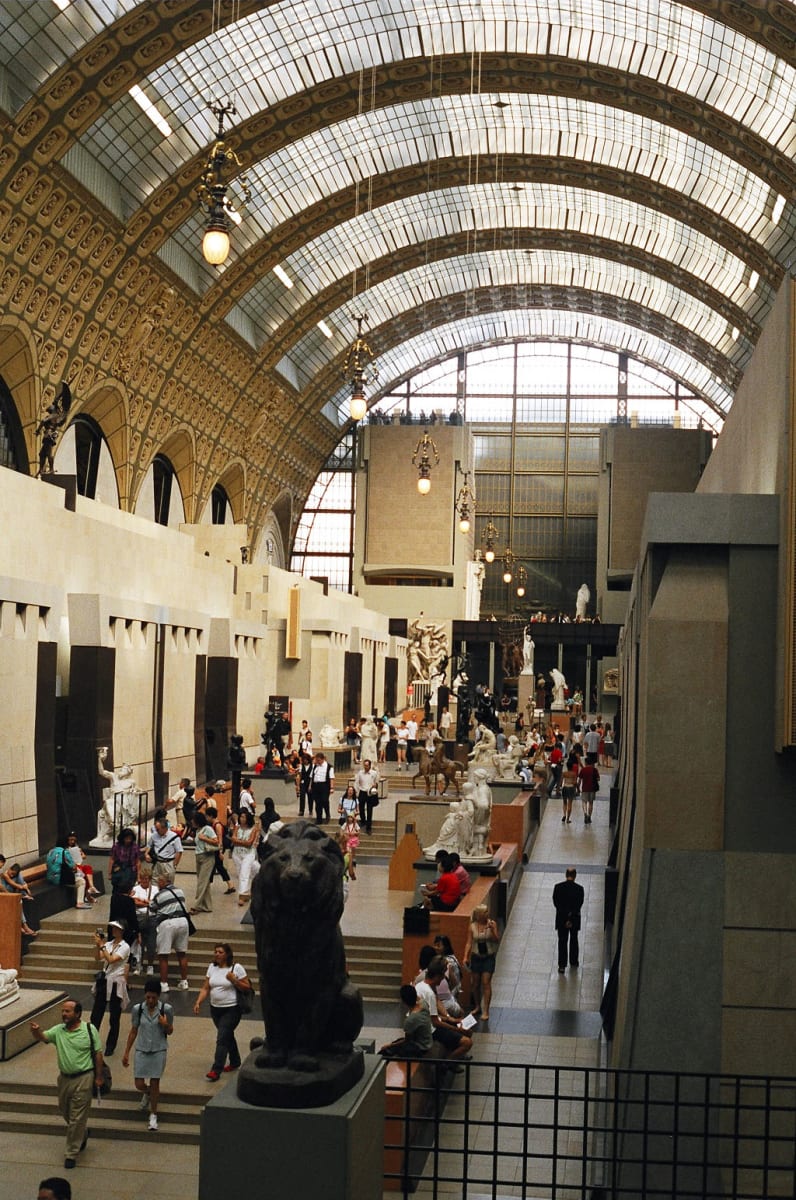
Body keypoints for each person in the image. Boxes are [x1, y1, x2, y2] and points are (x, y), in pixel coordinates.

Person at [30, 998, 105, 1170]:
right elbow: (43, 1037)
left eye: (67, 1011)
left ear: (77, 1014)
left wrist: (98, 1076)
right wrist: (36, 1031)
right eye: (63, 1011)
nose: (64, 1014)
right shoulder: (59, 1031)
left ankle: (71, 1153)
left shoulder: (89, 1029)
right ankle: (83, 1133)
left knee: (77, 1116)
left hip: (84, 1077)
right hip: (64, 1079)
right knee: (65, 1111)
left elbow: (98, 1054)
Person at [193, 942, 252, 1081]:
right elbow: (206, 988)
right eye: (215, 952)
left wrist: (235, 980)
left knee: (221, 1038)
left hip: (232, 1009)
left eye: (220, 952)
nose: (217, 954)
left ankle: (216, 1069)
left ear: (227, 954)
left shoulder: (236, 968)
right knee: (227, 1035)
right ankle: (235, 1060)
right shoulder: (212, 968)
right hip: (215, 1009)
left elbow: (247, 988)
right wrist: (198, 1002)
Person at [122, 977, 173, 1131]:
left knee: (155, 1081)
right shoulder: (138, 1009)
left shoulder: (166, 1009)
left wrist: (165, 1025)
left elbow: (170, 1031)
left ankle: (153, 1114)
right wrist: (126, 1052)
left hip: (158, 1049)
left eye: (153, 997)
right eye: (148, 997)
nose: (150, 1000)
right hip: (142, 1048)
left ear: (158, 996)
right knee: (139, 1083)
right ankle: (148, 1093)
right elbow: (133, 1030)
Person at [415, 957, 473, 1066]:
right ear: (438, 975)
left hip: (428, 1024)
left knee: (466, 1029)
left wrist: (450, 1018)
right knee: (467, 1042)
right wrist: (456, 1028)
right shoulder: (429, 993)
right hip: (431, 1030)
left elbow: (435, 1008)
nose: (443, 980)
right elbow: (435, 1022)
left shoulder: (421, 986)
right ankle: (445, 1064)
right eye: (442, 976)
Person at [90, 919, 130, 1056]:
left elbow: (112, 959)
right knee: (96, 1014)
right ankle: (92, 1042)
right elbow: (98, 958)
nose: (114, 930)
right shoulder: (108, 944)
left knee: (114, 1016)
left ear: (122, 931)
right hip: (104, 981)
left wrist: (101, 946)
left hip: (116, 983)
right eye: (113, 928)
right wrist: (98, 945)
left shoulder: (125, 947)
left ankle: (110, 1046)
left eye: (116, 928)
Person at [149, 875, 190, 992]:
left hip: (167, 923)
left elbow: (152, 908)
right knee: (182, 953)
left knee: (163, 955)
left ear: (163, 882)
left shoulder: (159, 895)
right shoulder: (180, 891)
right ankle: (184, 981)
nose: (157, 884)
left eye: (158, 882)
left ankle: (164, 984)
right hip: (183, 922)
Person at [463, 904, 500, 1021]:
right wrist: (465, 956)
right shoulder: (472, 926)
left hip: (488, 957)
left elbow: (496, 940)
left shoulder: (492, 924)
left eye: (487, 911)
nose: (487, 914)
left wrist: (493, 930)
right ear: (479, 915)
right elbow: (469, 942)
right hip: (476, 957)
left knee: (486, 982)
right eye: (484, 912)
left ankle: (486, 1010)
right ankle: (477, 1006)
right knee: (475, 983)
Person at [379, 984, 433, 1058]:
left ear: (404, 1001)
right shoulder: (423, 1004)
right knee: (396, 1042)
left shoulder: (411, 1020)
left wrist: (389, 1045)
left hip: (420, 1048)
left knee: (386, 1051)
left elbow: (407, 1041)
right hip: (427, 1042)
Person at [553, 867, 585, 974]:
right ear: (575, 876)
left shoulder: (558, 887)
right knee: (574, 939)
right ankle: (573, 961)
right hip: (574, 919)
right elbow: (579, 905)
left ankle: (562, 965)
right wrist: (570, 918)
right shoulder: (579, 889)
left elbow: (557, 904)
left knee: (562, 941)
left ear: (566, 875)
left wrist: (565, 918)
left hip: (561, 919)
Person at [0, 857, 38, 936]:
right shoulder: (4, 874)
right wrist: (12, 895)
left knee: (18, 875)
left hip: (7, 893)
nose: (1, 867)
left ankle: (23, 926)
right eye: (1, 866)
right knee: (17, 903)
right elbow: (2, 887)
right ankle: (24, 926)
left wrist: (24, 888)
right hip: (4, 894)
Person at [190, 808, 219, 913]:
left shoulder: (208, 829)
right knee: (204, 882)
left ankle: (197, 905)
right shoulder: (198, 830)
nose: (191, 822)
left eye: (193, 820)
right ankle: (207, 906)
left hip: (207, 857)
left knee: (202, 882)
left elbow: (216, 841)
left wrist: (204, 838)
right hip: (198, 856)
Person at [46, 840, 89, 907]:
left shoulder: (50, 852)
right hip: (59, 878)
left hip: (50, 877)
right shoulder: (65, 852)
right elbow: (73, 867)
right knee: (81, 881)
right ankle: (80, 903)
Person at [131, 865, 157, 974]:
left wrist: (142, 902)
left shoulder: (155, 889)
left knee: (151, 944)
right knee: (138, 944)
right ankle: (139, 964)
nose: (144, 881)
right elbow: (133, 902)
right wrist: (146, 902)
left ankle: (150, 965)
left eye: (147, 879)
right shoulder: (135, 889)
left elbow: (155, 904)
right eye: (142, 878)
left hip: (151, 918)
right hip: (138, 918)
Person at [231, 807, 259, 905]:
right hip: (237, 853)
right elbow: (233, 839)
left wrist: (238, 842)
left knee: (244, 872)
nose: (242, 819)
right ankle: (247, 891)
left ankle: (242, 895)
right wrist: (241, 842)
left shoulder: (254, 829)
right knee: (241, 872)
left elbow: (249, 843)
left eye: (244, 817)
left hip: (248, 853)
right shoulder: (237, 827)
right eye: (241, 817)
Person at [145, 811, 182, 883]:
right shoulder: (154, 836)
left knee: (167, 883)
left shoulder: (174, 837)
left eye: (158, 829)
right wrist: (146, 854)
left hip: (168, 863)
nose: (157, 831)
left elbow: (179, 851)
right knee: (154, 882)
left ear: (164, 828)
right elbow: (149, 845)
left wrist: (174, 865)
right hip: (157, 863)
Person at [206, 805, 235, 895]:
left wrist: (220, 851)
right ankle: (230, 885)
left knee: (216, 866)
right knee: (217, 867)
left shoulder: (217, 825)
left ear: (211, 816)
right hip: (217, 849)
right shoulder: (215, 824)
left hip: (217, 849)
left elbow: (220, 839)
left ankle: (208, 886)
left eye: (207, 816)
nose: (206, 818)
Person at [65, 833, 100, 901]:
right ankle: (88, 896)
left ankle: (91, 886)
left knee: (88, 867)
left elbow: (84, 856)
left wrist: (80, 853)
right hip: (72, 868)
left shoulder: (77, 847)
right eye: (71, 840)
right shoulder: (65, 850)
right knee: (84, 876)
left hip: (79, 866)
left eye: (74, 840)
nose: (72, 842)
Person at [353, 758, 380, 834]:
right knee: (361, 808)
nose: (365, 767)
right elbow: (356, 782)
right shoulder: (360, 773)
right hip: (362, 792)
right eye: (364, 765)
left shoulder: (374, 773)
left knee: (369, 810)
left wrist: (375, 785)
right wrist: (356, 790)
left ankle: (369, 827)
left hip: (370, 793)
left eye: (367, 766)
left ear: (370, 766)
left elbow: (376, 781)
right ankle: (363, 820)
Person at [109, 827, 140, 892]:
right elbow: (112, 859)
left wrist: (138, 876)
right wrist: (109, 873)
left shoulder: (135, 847)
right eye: (126, 838)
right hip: (118, 870)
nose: (128, 840)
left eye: (130, 839)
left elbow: (137, 862)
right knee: (116, 890)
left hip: (130, 870)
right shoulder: (116, 846)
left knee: (128, 890)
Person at [310, 752, 334, 824]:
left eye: (319, 760)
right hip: (316, 786)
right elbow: (312, 777)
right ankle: (319, 818)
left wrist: (331, 787)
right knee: (317, 803)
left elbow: (331, 778)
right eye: (317, 760)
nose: (318, 762)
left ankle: (327, 814)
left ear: (323, 759)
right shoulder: (315, 766)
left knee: (324, 800)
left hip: (324, 786)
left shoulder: (329, 767)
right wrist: (310, 786)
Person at [578, 760, 600, 824]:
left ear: (586, 763)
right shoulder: (595, 770)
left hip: (585, 788)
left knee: (584, 802)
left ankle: (585, 814)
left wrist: (578, 788)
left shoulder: (583, 770)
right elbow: (598, 779)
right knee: (591, 803)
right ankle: (589, 817)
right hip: (592, 789)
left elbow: (579, 779)